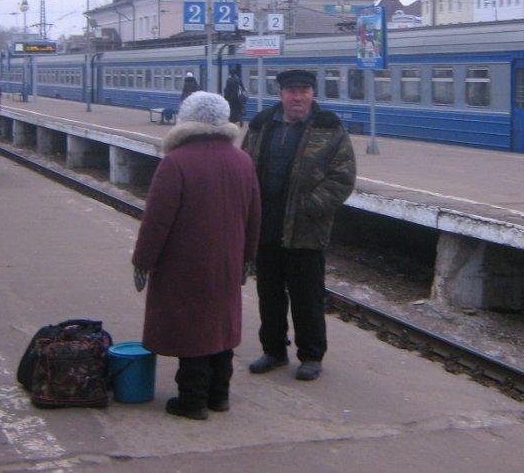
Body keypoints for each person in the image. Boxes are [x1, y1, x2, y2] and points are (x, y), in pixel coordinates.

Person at [131, 91, 261, 420]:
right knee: (220, 325)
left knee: (193, 329)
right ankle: (219, 396)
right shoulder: (242, 161)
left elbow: (157, 220)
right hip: (227, 261)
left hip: (184, 263)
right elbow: (255, 214)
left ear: (186, 119)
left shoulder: (176, 162)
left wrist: (142, 260)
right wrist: (248, 256)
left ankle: (192, 400)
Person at [241, 68, 356, 382]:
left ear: (312, 94)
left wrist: (310, 207)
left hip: (306, 228)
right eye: (292, 92)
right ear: (281, 94)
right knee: (270, 294)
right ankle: (274, 351)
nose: (298, 98)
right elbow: (242, 166)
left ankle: (311, 356)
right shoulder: (261, 125)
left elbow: (343, 177)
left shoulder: (328, 128)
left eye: (304, 92)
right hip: (266, 226)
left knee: (307, 297)